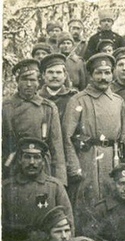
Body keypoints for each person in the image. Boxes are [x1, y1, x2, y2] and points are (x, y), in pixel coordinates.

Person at [62, 53, 125, 231]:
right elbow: (67, 136)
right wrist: (74, 166)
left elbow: (124, 133)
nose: (103, 77)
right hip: (87, 158)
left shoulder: (118, 101)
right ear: (90, 75)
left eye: (107, 72)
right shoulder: (78, 100)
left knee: (112, 200)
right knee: (88, 203)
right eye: (99, 73)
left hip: (112, 159)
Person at [2, 139, 74, 241]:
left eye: (36, 157)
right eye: (27, 157)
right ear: (19, 159)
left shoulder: (54, 187)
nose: (32, 162)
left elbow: (69, 225)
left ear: (43, 160)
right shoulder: (6, 188)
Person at [3, 59, 77, 187]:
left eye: (33, 80)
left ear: (38, 82)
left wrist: (60, 182)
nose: (29, 84)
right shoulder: (6, 107)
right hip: (13, 167)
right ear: (17, 81)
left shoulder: (48, 108)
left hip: (42, 169)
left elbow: (56, 147)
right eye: (24, 79)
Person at [38, 54, 78, 119]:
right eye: (50, 72)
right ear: (43, 75)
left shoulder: (73, 98)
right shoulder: (37, 97)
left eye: (58, 72)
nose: (55, 76)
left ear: (65, 75)